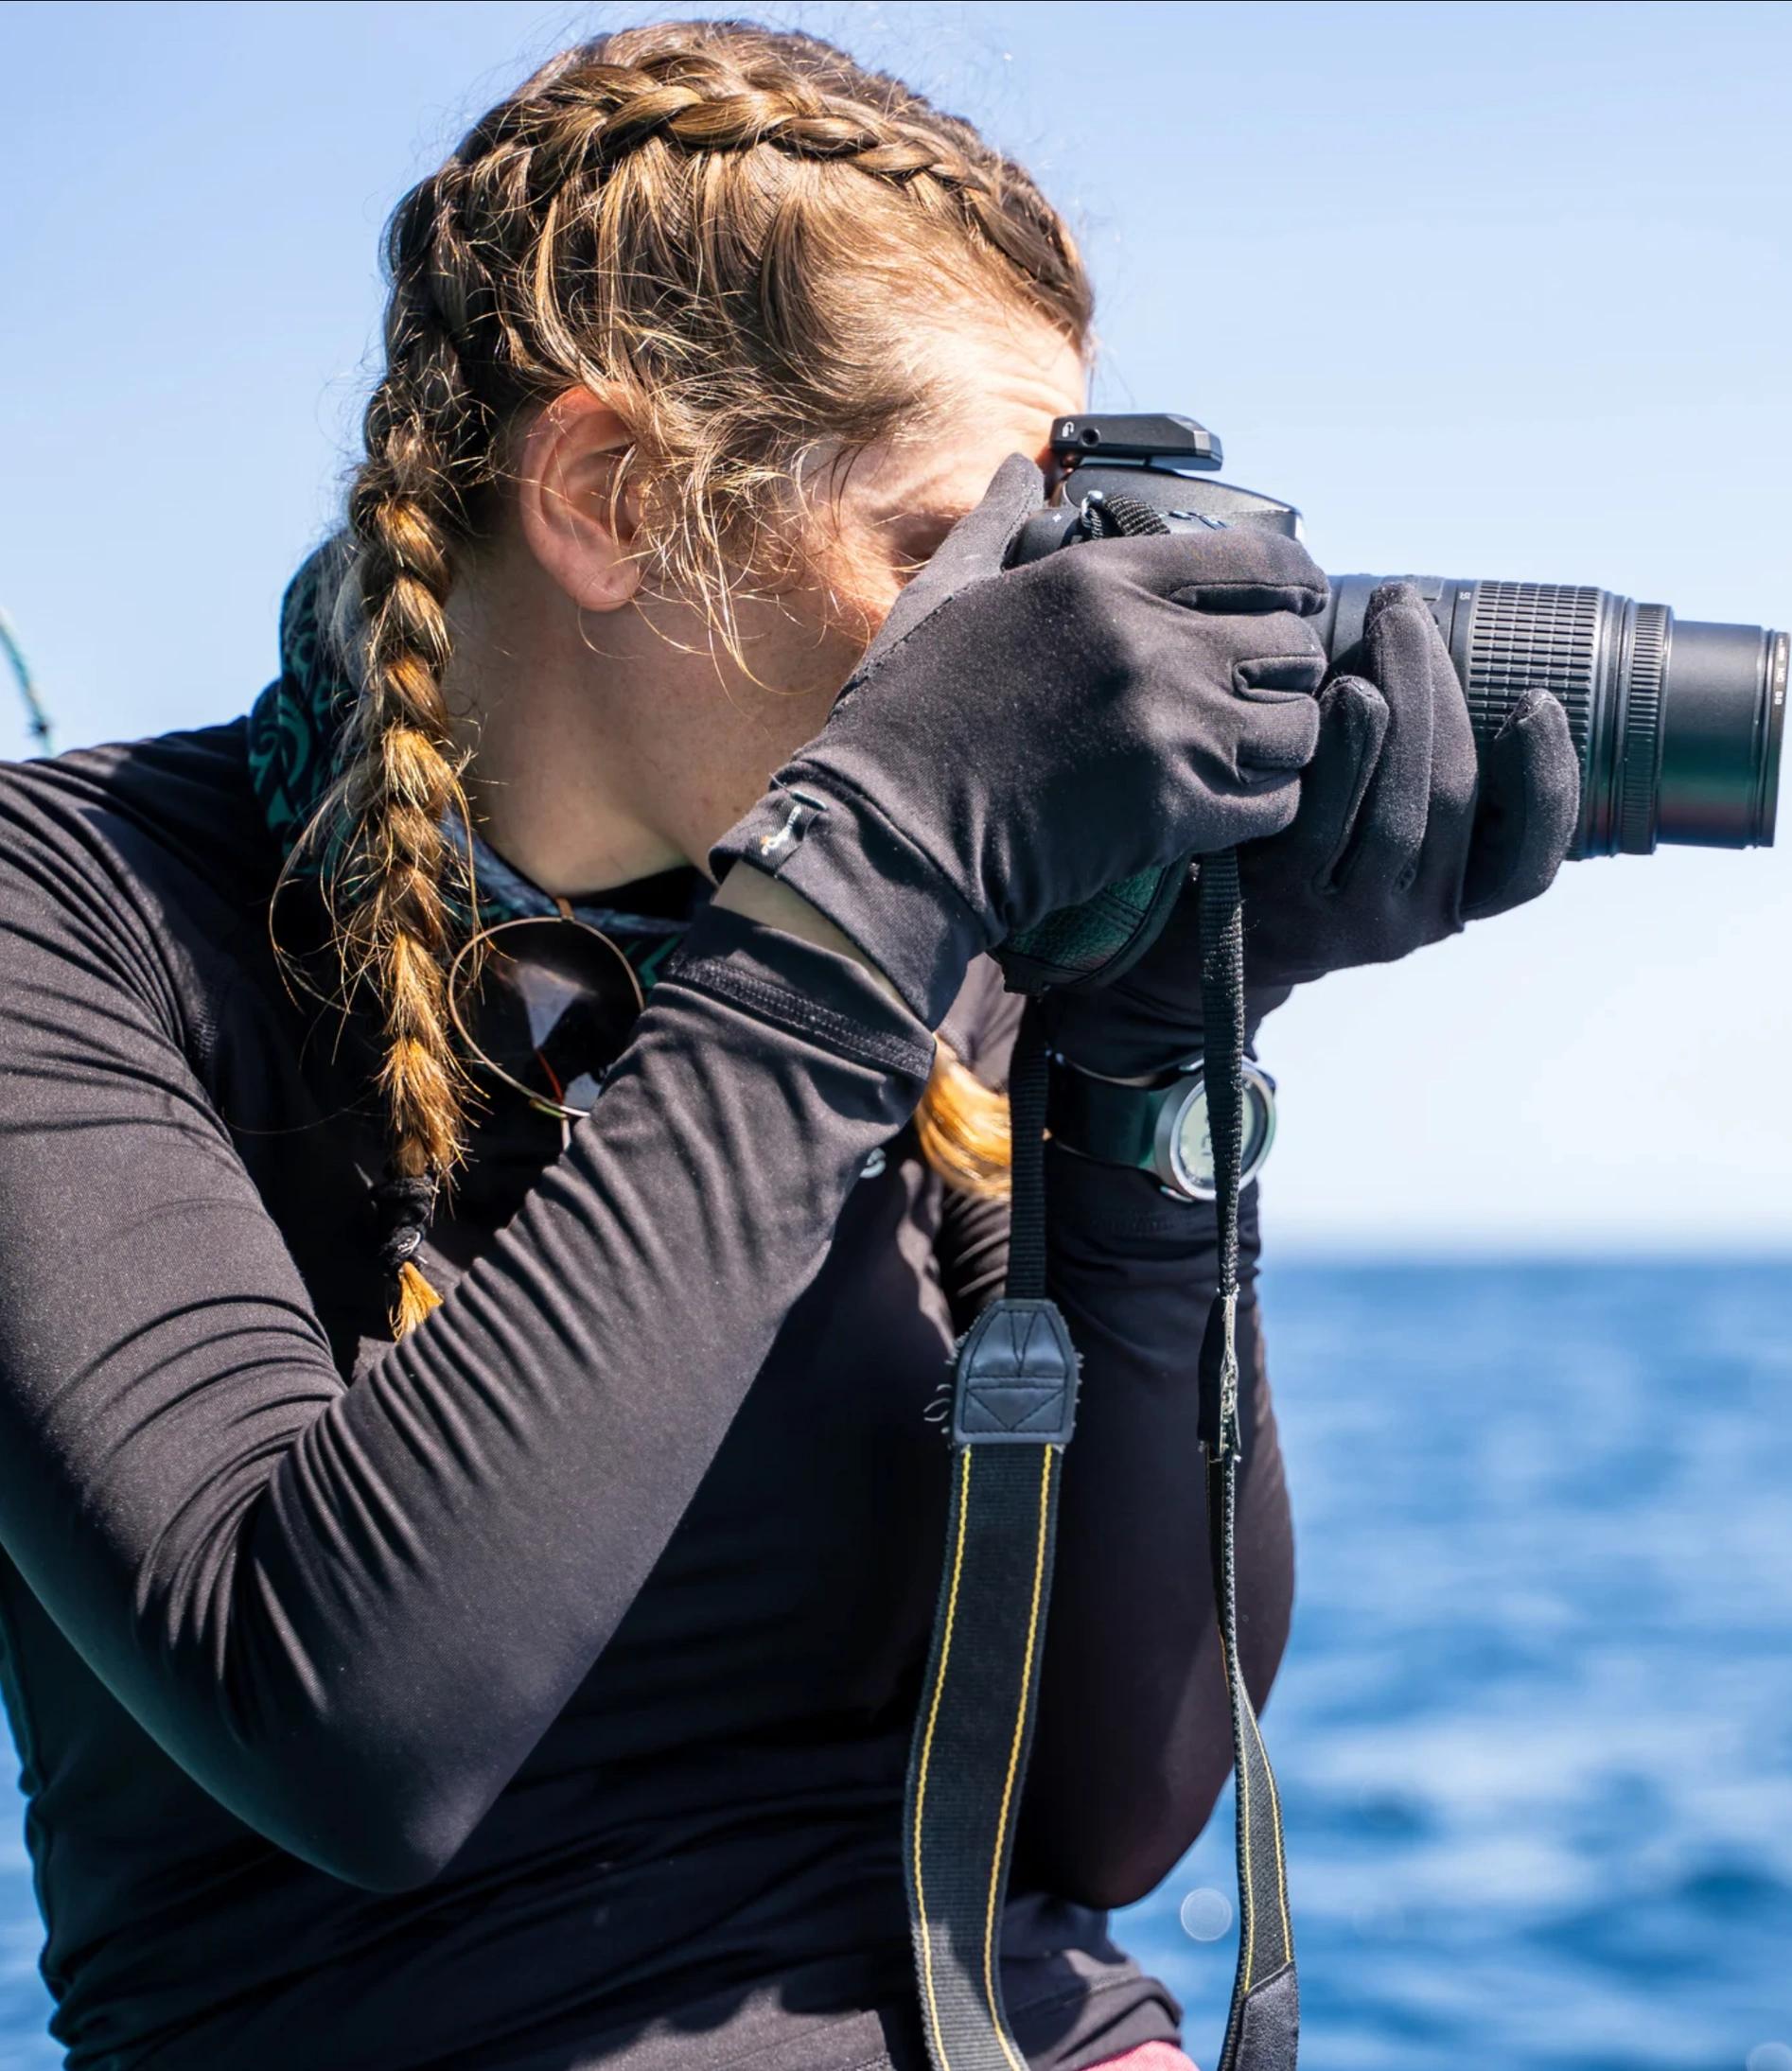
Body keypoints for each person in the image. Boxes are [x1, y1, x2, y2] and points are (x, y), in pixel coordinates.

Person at [0, 22, 1578, 2070]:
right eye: (949, 564)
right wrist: (881, 863)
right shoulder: (81, 908)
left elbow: (1113, 1805)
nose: (1027, 659)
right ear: (607, 496)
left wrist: (1165, 1055)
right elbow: (349, 1732)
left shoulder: (954, 951)